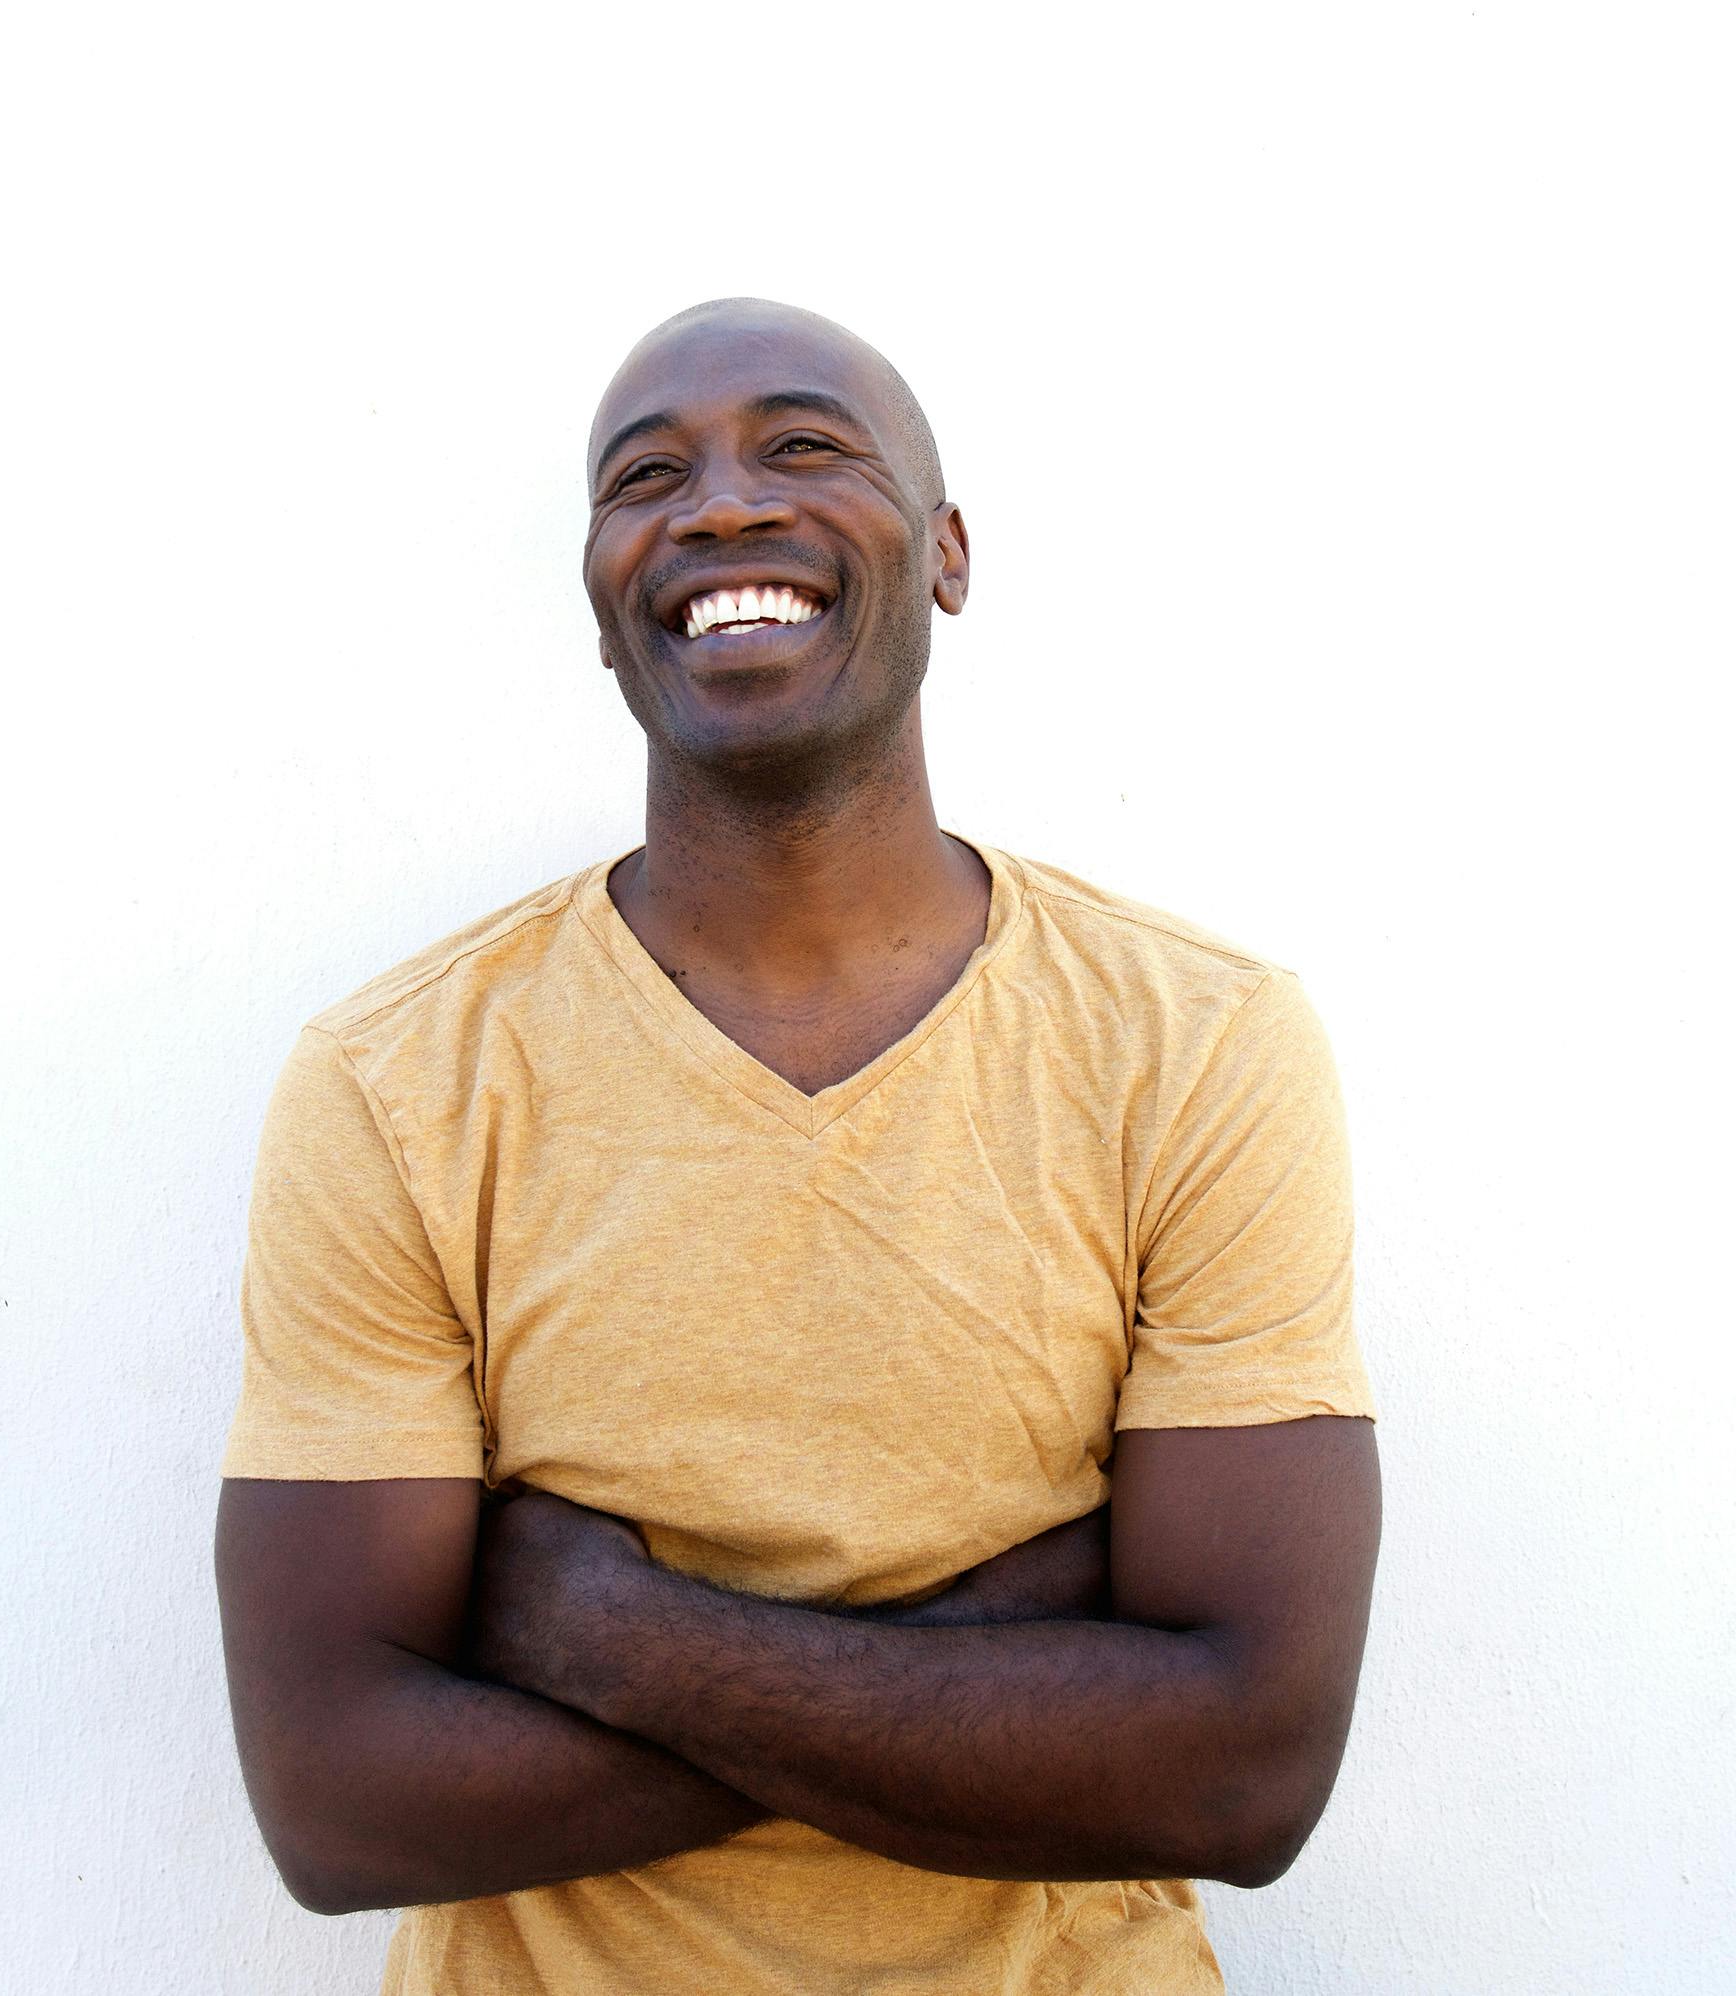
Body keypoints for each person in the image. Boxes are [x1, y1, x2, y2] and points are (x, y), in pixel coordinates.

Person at [214, 296, 1381, 1996]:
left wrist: (603, 1633)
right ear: (606, 595)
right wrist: (997, 1662)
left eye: (807, 448)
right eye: (646, 478)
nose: (721, 507)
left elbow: (1243, 1769)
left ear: (948, 553)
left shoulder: (1196, 1046)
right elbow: (338, 1803)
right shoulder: (402, 1084)